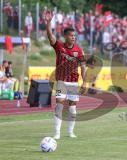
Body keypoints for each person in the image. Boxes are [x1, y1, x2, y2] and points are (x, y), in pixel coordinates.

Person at [45, 10, 87, 140]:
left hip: (73, 82)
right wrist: (48, 22)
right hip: (62, 81)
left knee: (73, 108)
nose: (73, 37)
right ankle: (57, 132)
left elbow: (83, 66)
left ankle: (70, 132)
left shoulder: (79, 50)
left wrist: (85, 82)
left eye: (74, 36)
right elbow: (50, 36)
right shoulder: (59, 46)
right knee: (59, 104)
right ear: (66, 36)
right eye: (71, 36)